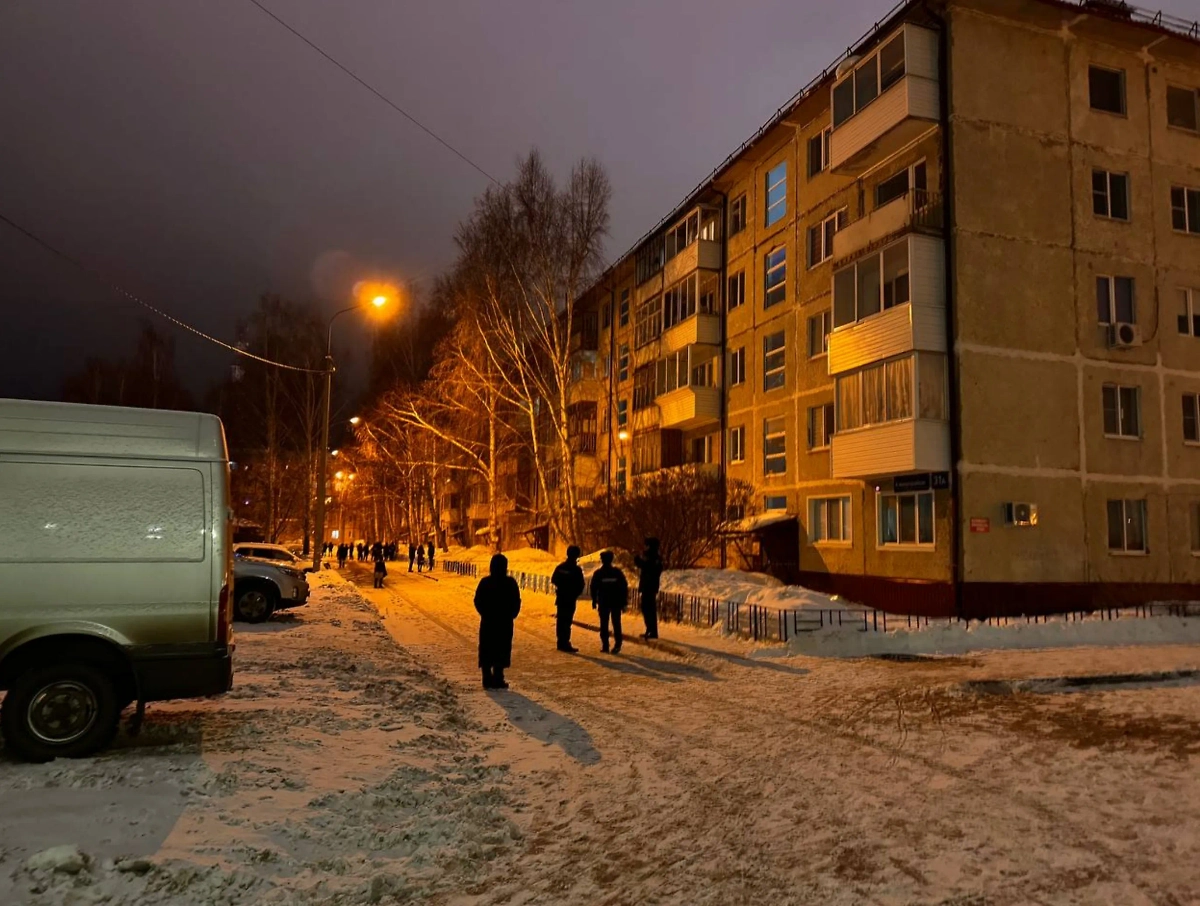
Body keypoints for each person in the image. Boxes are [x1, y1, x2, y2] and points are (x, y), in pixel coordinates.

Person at [474, 553, 521, 689]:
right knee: (502, 648)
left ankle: (487, 678)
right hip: (504, 623)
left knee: (487, 648)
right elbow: (516, 601)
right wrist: (511, 614)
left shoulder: (485, 582)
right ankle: (498, 678)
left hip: (488, 622)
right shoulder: (510, 583)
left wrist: (485, 613)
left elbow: (478, 600)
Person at [590, 550, 628, 654]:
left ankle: (605, 645)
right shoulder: (617, 572)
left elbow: (593, 588)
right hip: (615, 602)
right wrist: (624, 602)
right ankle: (617, 644)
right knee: (616, 623)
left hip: (604, 602)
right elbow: (623, 588)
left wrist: (594, 600)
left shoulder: (598, 573)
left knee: (604, 624)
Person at [551, 545, 585, 653]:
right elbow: (581, 584)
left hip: (561, 597)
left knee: (561, 620)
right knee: (567, 621)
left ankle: (560, 641)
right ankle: (565, 642)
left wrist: (562, 586)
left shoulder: (561, 567)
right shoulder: (576, 570)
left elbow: (554, 579)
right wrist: (575, 593)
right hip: (570, 598)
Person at [634, 537, 664, 640]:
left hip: (648, 586)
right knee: (649, 608)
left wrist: (637, 559)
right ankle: (651, 630)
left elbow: (645, 566)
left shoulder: (651, 557)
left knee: (647, 609)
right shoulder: (656, 558)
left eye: (646, 545)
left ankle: (651, 630)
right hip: (651, 586)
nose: (644, 547)